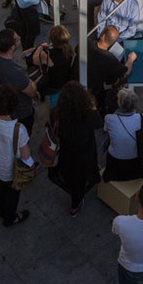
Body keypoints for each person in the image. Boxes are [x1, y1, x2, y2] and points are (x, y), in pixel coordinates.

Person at [48, 81, 102, 216]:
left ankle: (75, 202)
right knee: (80, 181)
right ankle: (75, 204)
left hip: (65, 154)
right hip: (85, 154)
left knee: (72, 176)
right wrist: (93, 107)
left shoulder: (56, 114)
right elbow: (99, 123)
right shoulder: (90, 116)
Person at [0, 85, 32, 226]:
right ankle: (10, 218)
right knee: (13, 194)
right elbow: (26, 155)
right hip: (11, 169)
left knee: (2, 186)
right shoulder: (18, 130)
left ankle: (1, 210)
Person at [0, 28, 39, 135]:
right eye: (17, 39)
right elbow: (31, 91)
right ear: (12, 47)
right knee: (23, 135)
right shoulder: (16, 73)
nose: (20, 37)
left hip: (4, 105)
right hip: (21, 112)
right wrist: (31, 82)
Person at [87, 25, 137, 111]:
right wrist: (131, 60)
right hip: (93, 91)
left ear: (102, 36)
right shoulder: (109, 59)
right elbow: (126, 72)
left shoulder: (87, 43)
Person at [102, 88, 143, 182]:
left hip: (115, 159)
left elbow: (105, 130)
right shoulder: (141, 117)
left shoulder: (109, 118)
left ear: (119, 103)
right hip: (135, 159)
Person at [25, 25, 78, 98]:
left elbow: (33, 60)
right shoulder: (69, 50)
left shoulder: (47, 54)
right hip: (63, 81)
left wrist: (40, 47)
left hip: (50, 85)